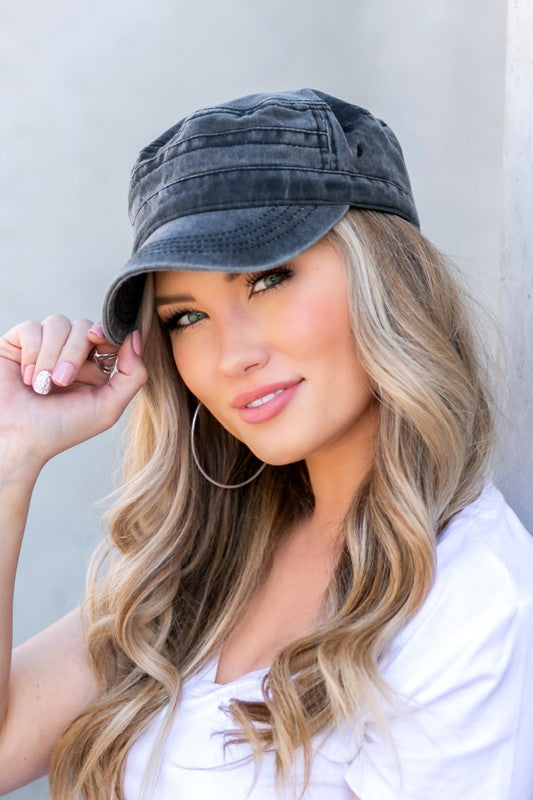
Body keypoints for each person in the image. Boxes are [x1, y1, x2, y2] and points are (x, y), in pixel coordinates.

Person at [0, 88, 532, 800]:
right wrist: (12, 453)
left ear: (386, 278)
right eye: (187, 317)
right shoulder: (198, 559)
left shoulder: (468, 601)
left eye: (269, 279)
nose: (232, 356)